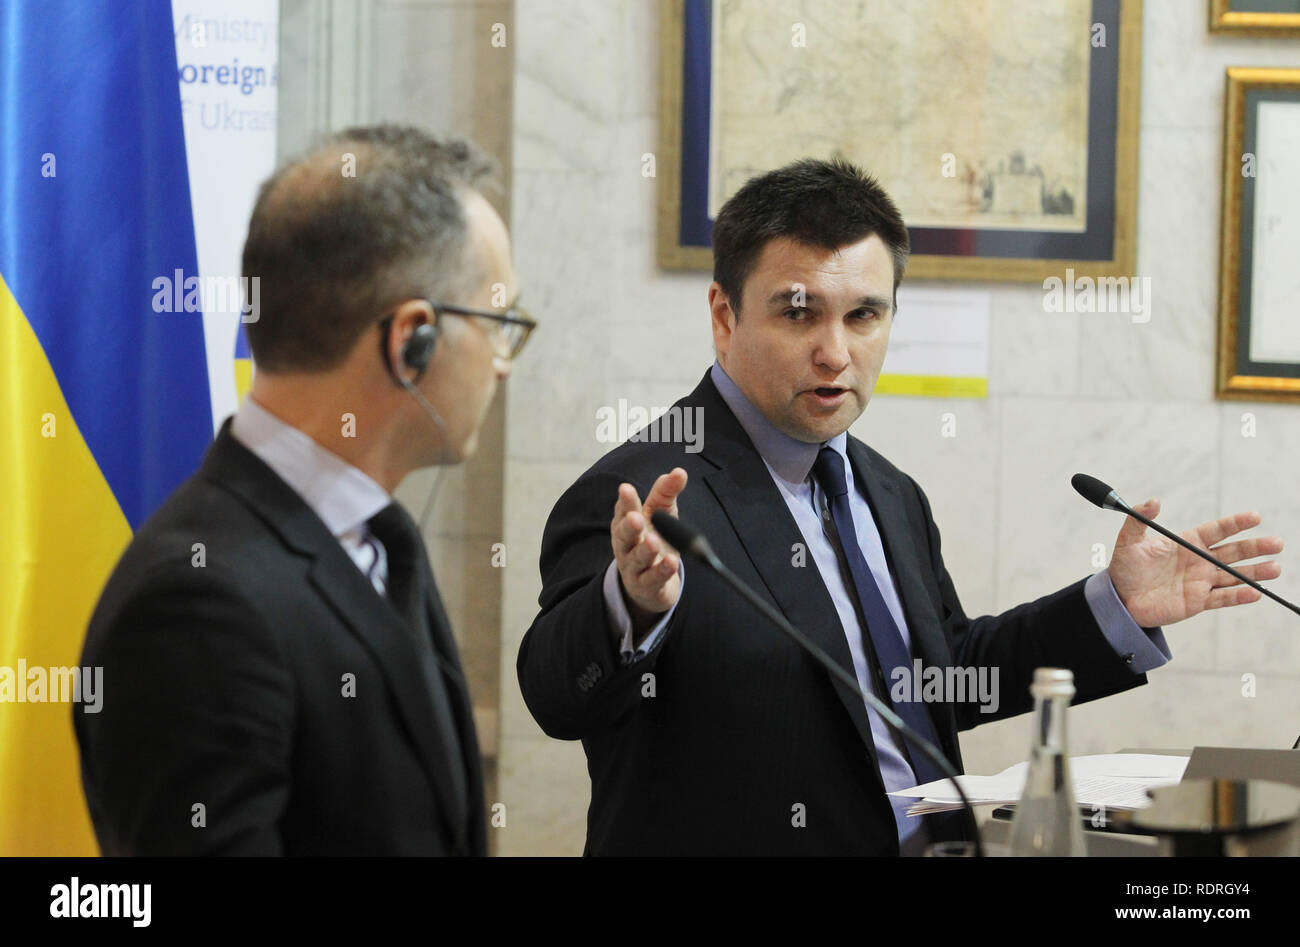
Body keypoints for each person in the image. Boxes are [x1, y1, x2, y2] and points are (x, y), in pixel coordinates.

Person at [516, 158, 1283, 856]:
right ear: (725, 315)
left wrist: (1115, 607)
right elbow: (555, 693)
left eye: (863, 316)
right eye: (798, 313)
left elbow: (945, 674)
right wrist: (630, 605)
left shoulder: (886, 489)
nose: (835, 352)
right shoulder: (645, 495)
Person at [75, 124, 535, 855]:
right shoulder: (196, 603)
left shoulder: (382, 535)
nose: (505, 363)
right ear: (410, 339)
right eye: (499, 321)